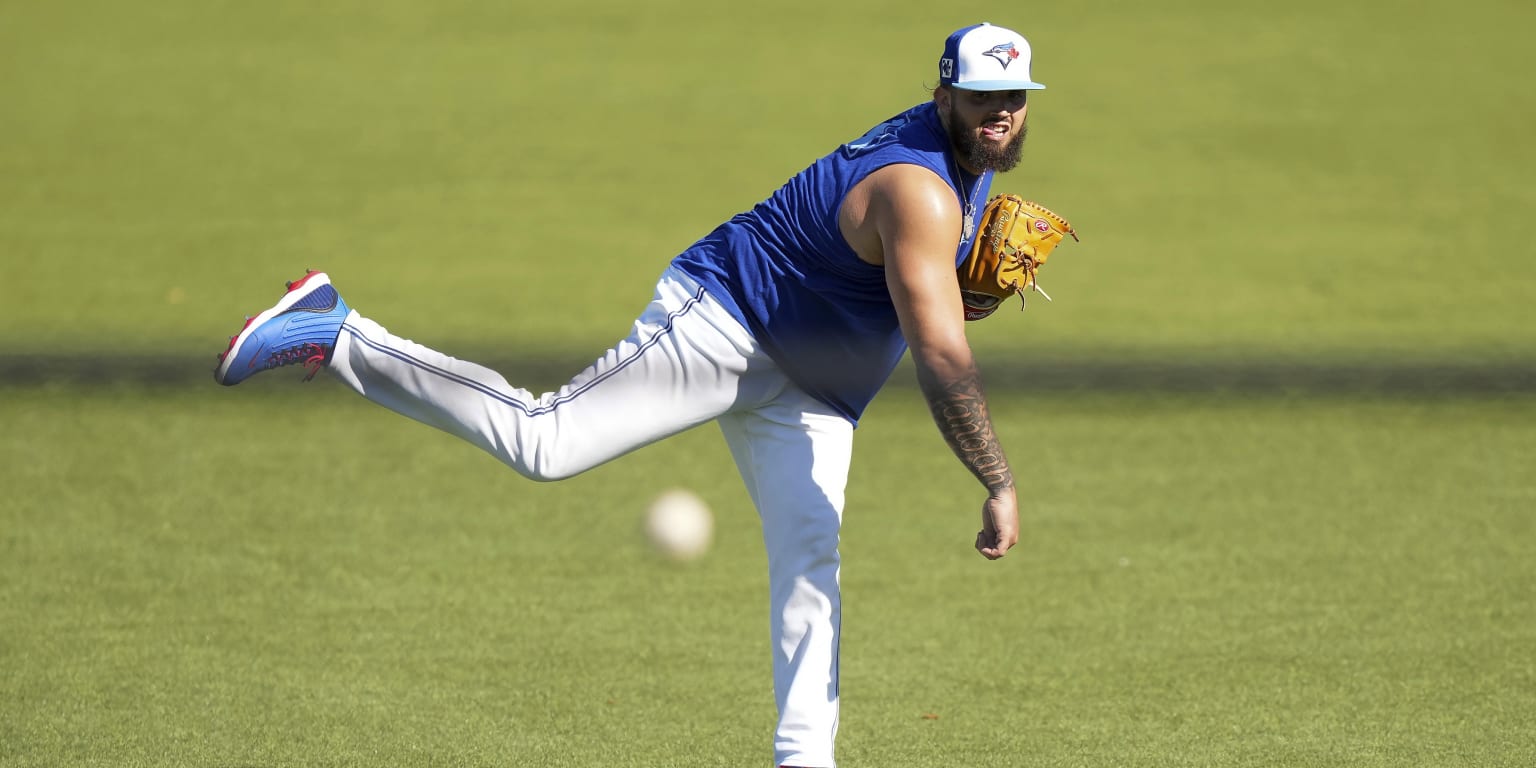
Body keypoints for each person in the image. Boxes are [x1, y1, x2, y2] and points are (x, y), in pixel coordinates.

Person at [215, 21, 1046, 768]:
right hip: (728, 321)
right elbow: (940, 351)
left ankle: (804, 760)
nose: (998, 114)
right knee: (547, 441)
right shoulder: (924, 191)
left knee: (810, 556)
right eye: (981, 97)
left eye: (1012, 98)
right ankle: (337, 329)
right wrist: (998, 480)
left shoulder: (965, 171)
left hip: (815, 385)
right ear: (944, 94)